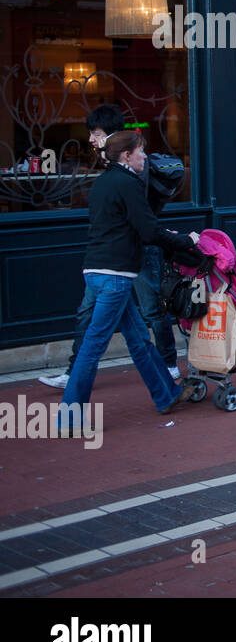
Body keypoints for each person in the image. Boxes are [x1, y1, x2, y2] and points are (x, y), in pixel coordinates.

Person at [57, 132, 200, 434]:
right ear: (126, 156)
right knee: (93, 348)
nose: (145, 157)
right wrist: (185, 240)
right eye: (141, 152)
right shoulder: (129, 184)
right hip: (116, 276)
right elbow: (148, 231)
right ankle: (68, 419)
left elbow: (123, 226)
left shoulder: (101, 184)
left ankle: (167, 394)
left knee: (138, 340)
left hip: (96, 271)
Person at [41, 106, 181, 390]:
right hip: (114, 259)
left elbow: (141, 220)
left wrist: (182, 240)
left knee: (149, 311)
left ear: (110, 135)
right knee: (115, 321)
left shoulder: (129, 164)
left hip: (128, 255)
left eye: (95, 133)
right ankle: (163, 386)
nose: (91, 140)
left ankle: (168, 366)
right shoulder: (113, 167)